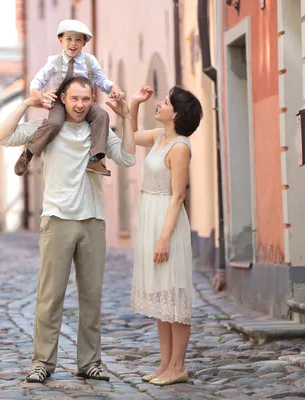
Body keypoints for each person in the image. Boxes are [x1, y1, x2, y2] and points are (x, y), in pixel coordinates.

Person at [0, 76, 136, 384]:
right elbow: (2, 137)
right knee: (50, 297)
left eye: (86, 99)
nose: (80, 105)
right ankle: (42, 363)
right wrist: (26, 103)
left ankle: (90, 363)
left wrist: (126, 118)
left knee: (91, 297)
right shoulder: (50, 128)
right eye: (74, 99)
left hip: (92, 221)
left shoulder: (98, 130)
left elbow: (127, 157)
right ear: (62, 100)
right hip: (57, 220)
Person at [129, 84, 202, 386]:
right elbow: (132, 137)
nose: (159, 104)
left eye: (166, 102)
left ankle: (178, 366)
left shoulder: (180, 147)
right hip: (151, 217)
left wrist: (163, 237)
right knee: (161, 297)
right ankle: (164, 364)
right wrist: (133, 104)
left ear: (177, 114)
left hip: (167, 223)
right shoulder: (160, 138)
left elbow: (177, 196)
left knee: (175, 297)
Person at [13, 19, 125, 178]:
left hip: (83, 101)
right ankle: (28, 153)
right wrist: (35, 91)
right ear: (61, 40)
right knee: (54, 122)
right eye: (69, 39)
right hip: (61, 101)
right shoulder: (54, 61)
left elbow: (101, 80)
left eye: (78, 40)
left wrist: (113, 87)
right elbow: (39, 80)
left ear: (84, 43)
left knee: (102, 115)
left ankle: (95, 158)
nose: (73, 44)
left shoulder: (89, 61)